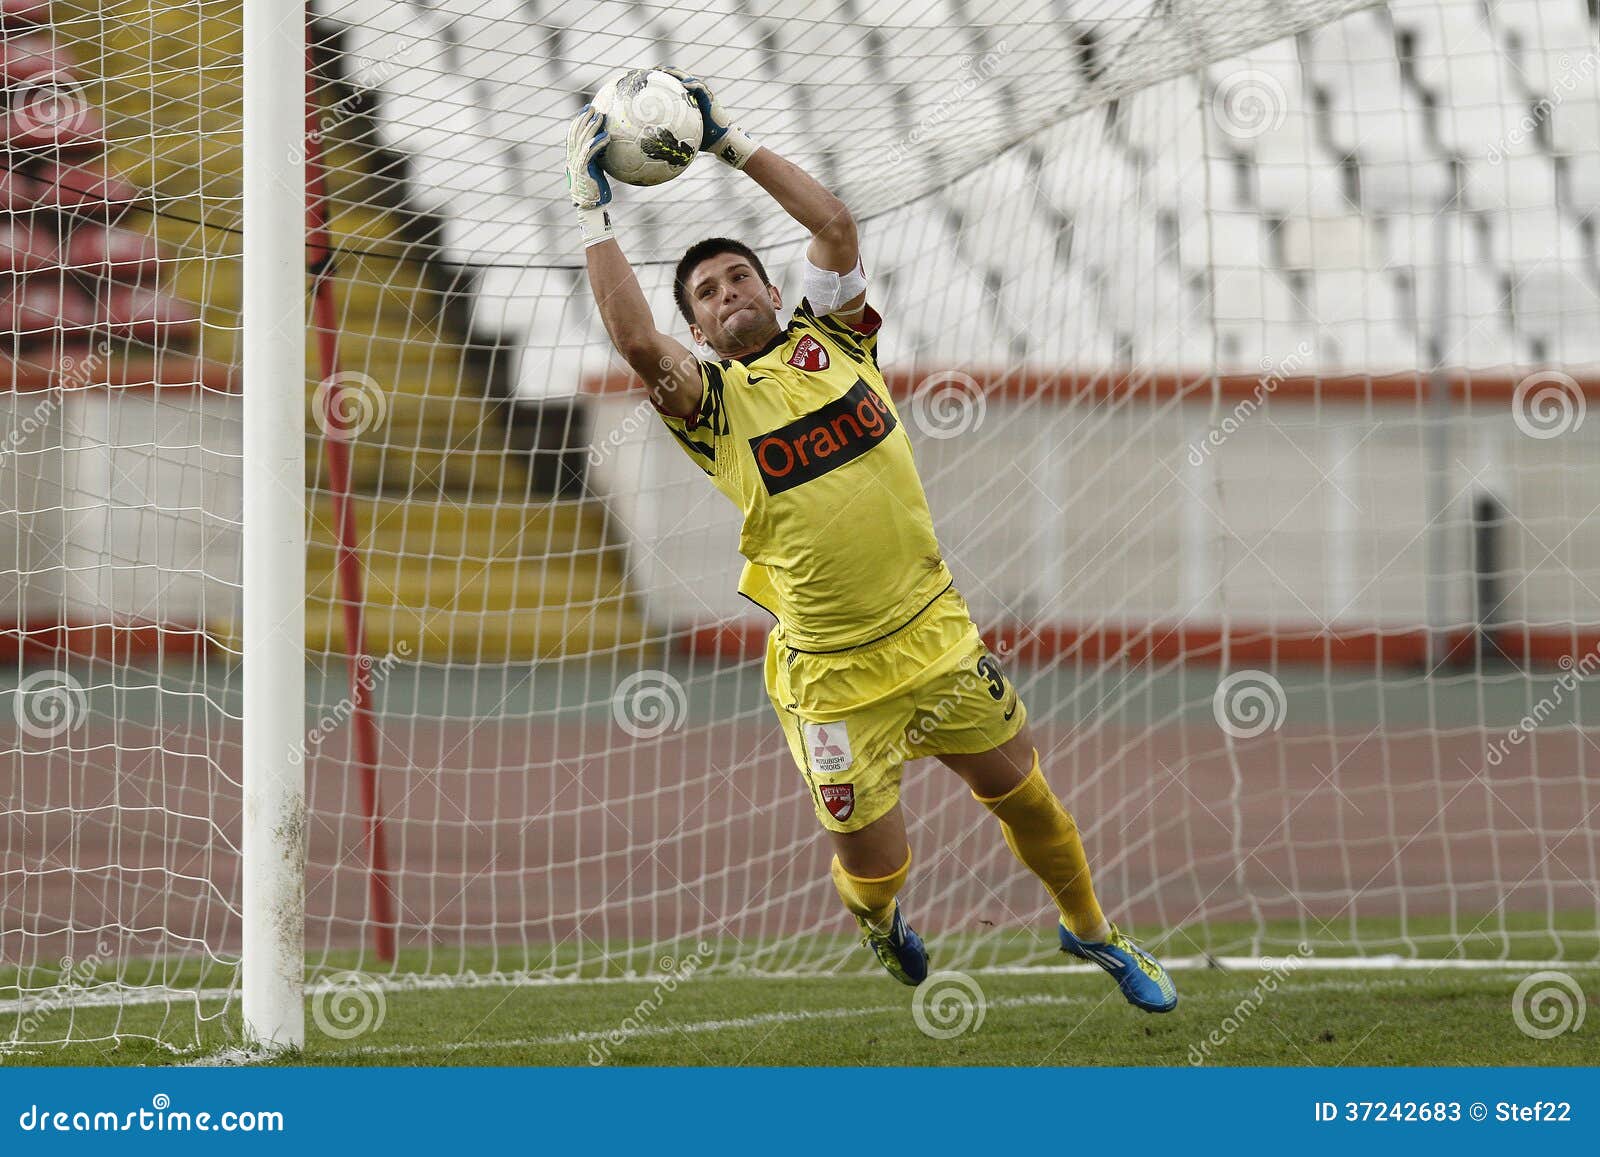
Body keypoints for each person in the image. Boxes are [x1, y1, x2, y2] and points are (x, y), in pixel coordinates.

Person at [564, 68, 1176, 1011]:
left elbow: (837, 227)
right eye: (707, 296)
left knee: (1028, 795)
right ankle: (881, 919)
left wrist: (730, 143)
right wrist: (592, 207)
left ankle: (1091, 926)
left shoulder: (838, 343)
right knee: (878, 861)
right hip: (833, 677)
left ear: (772, 287)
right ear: (699, 328)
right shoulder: (715, 408)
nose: (727, 296)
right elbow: (637, 344)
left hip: (936, 635)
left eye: (738, 278)